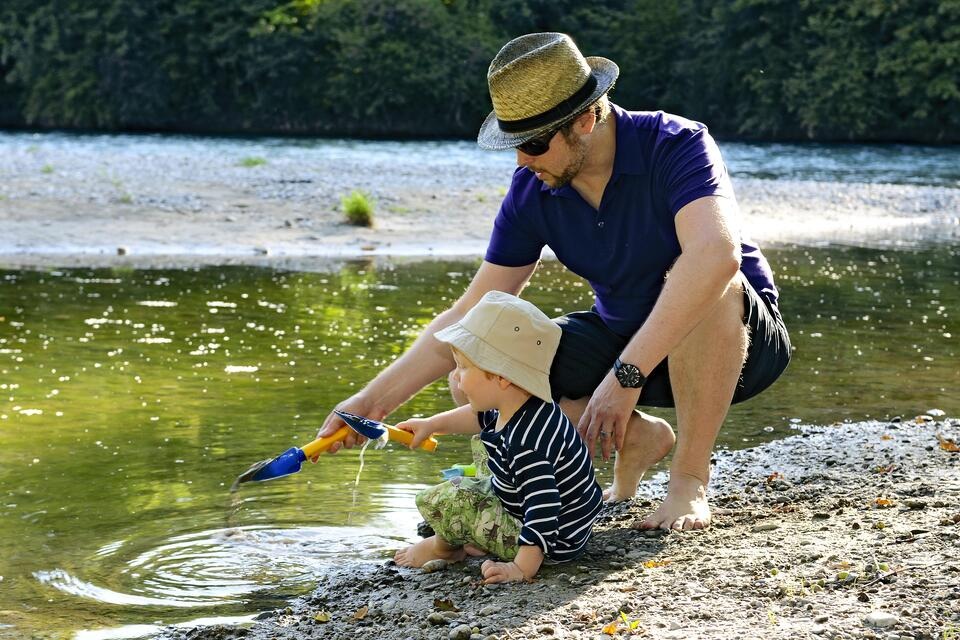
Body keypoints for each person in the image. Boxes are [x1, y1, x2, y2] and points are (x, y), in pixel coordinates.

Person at [318, 32, 791, 531]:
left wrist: (625, 376)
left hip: (737, 341)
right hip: (623, 338)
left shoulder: (676, 144)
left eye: (534, 143)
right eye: (514, 144)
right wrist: (369, 403)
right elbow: (469, 314)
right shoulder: (533, 188)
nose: (522, 160)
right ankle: (635, 439)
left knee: (709, 282)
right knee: (478, 359)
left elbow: (716, 256)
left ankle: (688, 482)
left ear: (586, 120)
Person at [392, 290, 603, 584]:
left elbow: (544, 506)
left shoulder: (528, 444)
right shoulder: (520, 404)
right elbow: (480, 417)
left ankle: (445, 548)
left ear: (502, 377)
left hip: (552, 540)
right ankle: (478, 534)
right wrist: (432, 424)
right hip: (549, 514)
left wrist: (521, 568)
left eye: (464, 368)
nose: (456, 377)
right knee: (484, 444)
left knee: (457, 496)